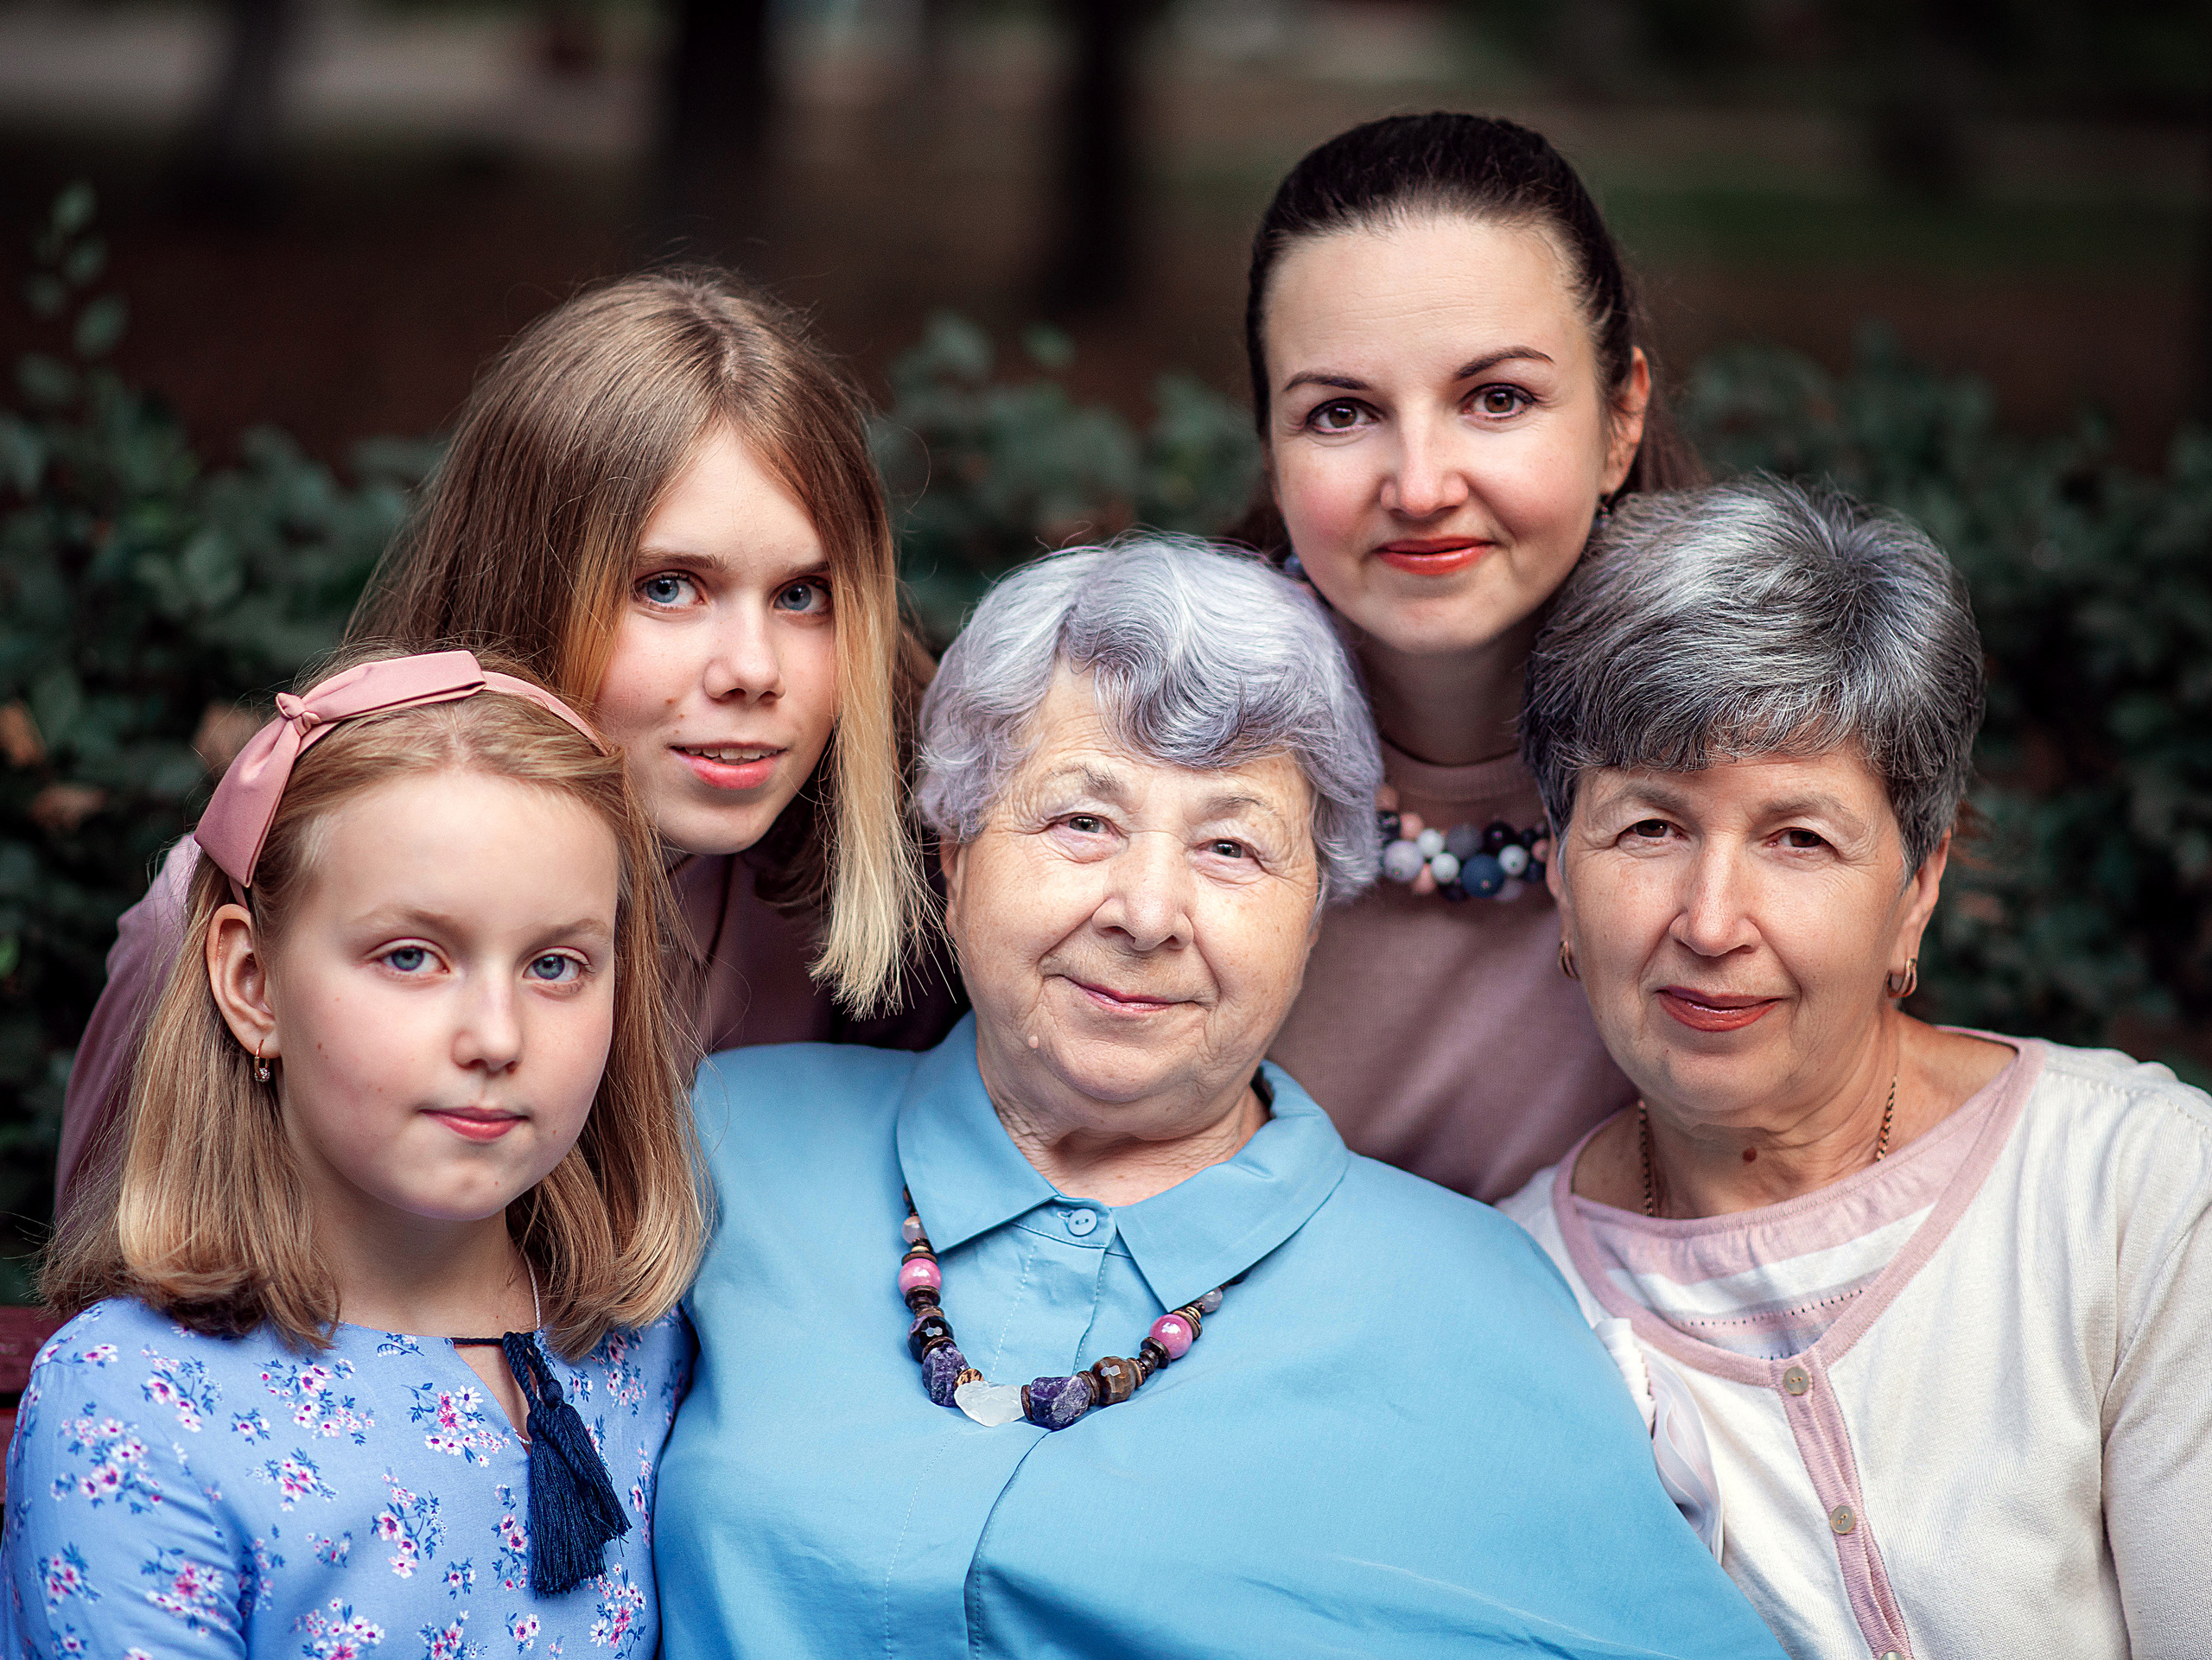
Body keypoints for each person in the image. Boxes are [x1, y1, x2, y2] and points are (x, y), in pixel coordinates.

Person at [653, 539, 1786, 1658]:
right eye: (1081, 821)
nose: (1146, 912)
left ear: (1313, 911)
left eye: (1232, 847)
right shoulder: (725, 1143)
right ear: (954, 851)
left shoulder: (1474, 1304)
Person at [56, 268, 960, 1210]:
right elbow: (120, 1290)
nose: (753, 668)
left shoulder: (892, 883)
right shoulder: (268, 903)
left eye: (801, 594)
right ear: (530, 584)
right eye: (666, 586)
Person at [1497, 478, 2212, 1658]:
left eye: (1798, 838)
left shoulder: (2136, 1196)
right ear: (1562, 874)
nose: (1713, 920)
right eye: (1651, 827)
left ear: (1917, 889)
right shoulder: (1511, 1306)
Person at [6, 649, 707, 1655]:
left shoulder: (647, 1351)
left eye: (557, 964)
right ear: (253, 982)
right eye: (411, 956)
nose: (496, 1036)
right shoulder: (136, 1402)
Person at [1239, 111, 1705, 1203]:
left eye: (1496, 399)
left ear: (1620, 418)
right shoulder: (1161, 759)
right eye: (1342, 412)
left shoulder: (1752, 768)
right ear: (1271, 443)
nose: (1419, 484)